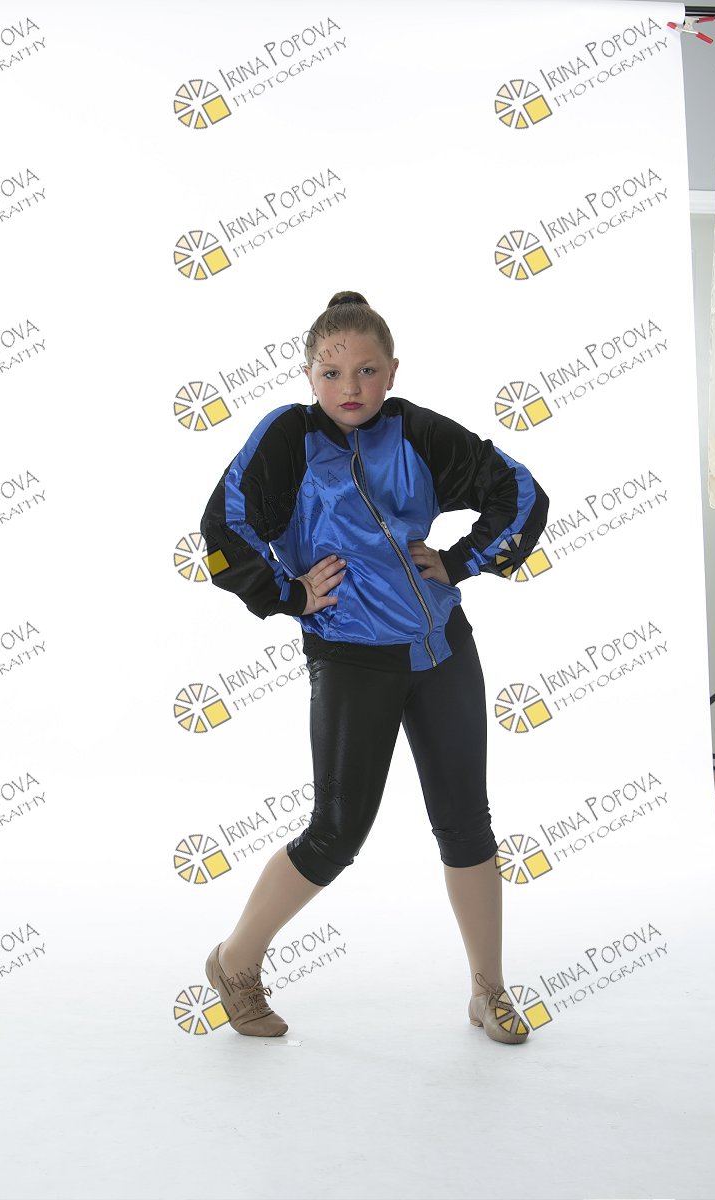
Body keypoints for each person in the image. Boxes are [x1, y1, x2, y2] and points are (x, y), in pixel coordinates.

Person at [200, 290, 549, 1044]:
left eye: (366, 370)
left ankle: (488, 990)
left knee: (467, 823)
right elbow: (222, 526)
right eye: (331, 373)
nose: (349, 387)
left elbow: (519, 492)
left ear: (391, 371)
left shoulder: (416, 430)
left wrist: (462, 561)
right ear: (309, 376)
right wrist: (288, 592)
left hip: (443, 647)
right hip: (353, 655)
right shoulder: (289, 438)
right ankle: (234, 962)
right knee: (336, 833)